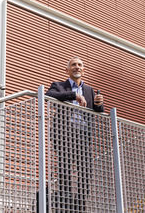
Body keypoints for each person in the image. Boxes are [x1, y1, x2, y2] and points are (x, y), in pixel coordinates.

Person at [45, 56, 104, 212]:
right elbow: (49, 96)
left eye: (80, 65)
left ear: (83, 70)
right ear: (67, 70)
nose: (77, 67)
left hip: (83, 134)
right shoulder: (59, 85)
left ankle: (80, 204)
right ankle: (66, 203)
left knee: (86, 170)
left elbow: (96, 111)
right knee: (65, 168)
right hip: (64, 133)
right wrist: (73, 95)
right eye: (73, 65)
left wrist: (99, 105)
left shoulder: (89, 90)